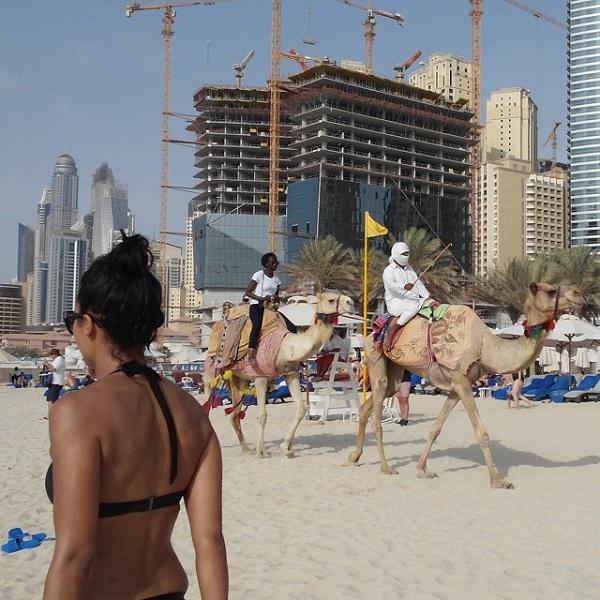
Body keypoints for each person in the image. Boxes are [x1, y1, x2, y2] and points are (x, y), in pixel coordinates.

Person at [43, 232, 228, 600]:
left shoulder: (77, 413)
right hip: (169, 590)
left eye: (71, 320)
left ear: (89, 324)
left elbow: (74, 556)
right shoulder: (192, 414)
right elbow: (210, 541)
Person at [245, 252, 296, 363]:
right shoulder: (259, 275)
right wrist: (261, 298)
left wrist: (276, 298)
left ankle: (294, 355)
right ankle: (251, 352)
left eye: (276, 262)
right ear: (266, 264)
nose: (275, 264)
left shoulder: (277, 279)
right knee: (256, 326)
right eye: (272, 262)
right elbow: (248, 292)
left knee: (292, 327)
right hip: (257, 306)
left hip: (271, 308)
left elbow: (277, 296)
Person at [382, 242, 430, 351]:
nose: (406, 256)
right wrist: (404, 287)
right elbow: (391, 287)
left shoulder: (409, 269)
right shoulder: (389, 271)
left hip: (411, 299)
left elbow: (418, 284)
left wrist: (427, 297)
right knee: (413, 306)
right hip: (397, 301)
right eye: (403, 254)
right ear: (396, 254)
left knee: (426, 304)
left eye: (407, 253)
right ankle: (393, 329)